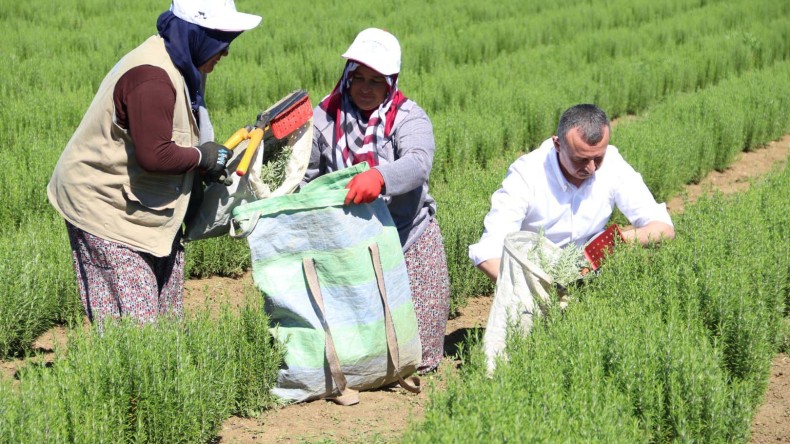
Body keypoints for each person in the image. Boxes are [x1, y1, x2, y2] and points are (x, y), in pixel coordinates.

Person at [47, 0, 261, 326]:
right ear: (197, 34)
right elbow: (155, 154)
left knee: (165, 325)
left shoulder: (185, 64)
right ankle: (126, 377)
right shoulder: (152, 78)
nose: (226, 52)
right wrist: (201, 157)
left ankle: (153, 375)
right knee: (134, 330)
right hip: (105, 209)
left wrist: (206, 162)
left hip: (150, 207)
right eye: (221, 41)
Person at [303, 28, 450, 373]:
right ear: (347, 76)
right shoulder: (323, 118)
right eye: (359, 78)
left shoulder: (408, 117)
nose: (366, 89)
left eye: (376, 81)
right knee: (358, 356)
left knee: (422, 356)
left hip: (406, 234)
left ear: (391, 84)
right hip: (348, 242)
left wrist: (380, 177)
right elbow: (306, 176)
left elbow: (417, 163)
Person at [469, 104, 675, 282]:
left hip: (592, 271)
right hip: (535, 273)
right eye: (581, 159)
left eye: (598, 158)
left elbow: (663, 227)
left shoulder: (612, 162)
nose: (592, 168)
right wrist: (529, 290)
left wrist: (609, 244)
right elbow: (487, 252)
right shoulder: (526, 174)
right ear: (558, 144)